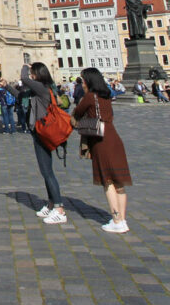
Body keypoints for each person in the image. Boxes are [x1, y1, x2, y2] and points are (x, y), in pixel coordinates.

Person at [72, 67, 133, 234]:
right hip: (114, 137)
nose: (82, 83)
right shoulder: (106, 95)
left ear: (88, 81)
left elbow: (76, 113)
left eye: (83, 80)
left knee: (108, 181)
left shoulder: (90, 97)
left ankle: (116, 219)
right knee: (119, 182)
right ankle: (122, 219)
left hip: (101, 140)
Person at [21, 63, 66, 224]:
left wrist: (25, 66)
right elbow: (20, 95)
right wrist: (5, 87)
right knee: (45, 171)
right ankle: (52, 203)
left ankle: (59, 209)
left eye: (33, 73)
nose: (31, 76)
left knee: (47, 171)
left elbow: (23, 78)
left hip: (43, 132)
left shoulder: (41, 88)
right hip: (39, 132)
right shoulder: (38, 90)